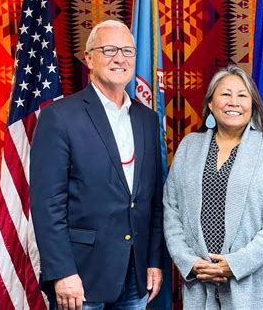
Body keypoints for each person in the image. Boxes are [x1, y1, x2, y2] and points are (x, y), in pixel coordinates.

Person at [30, 19, 164, 310]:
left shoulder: (147, 120)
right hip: (79, 276)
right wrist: (62, 271)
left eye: (128, 51)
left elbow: (153, 199)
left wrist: (154, 260)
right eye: (110, 49)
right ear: (89, 58)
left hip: (135, 274)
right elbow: (47, 204)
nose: (120, 58)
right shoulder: (60, 117)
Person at [163, 64, 263, 309]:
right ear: (211, 104)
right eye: (225, 94)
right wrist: (189, 262)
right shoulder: (188, 147)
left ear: (253, 105)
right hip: (199, 283)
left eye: (242, 95)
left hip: (253, 286)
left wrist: (236, 263)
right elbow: (171, 210)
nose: (233, 102)